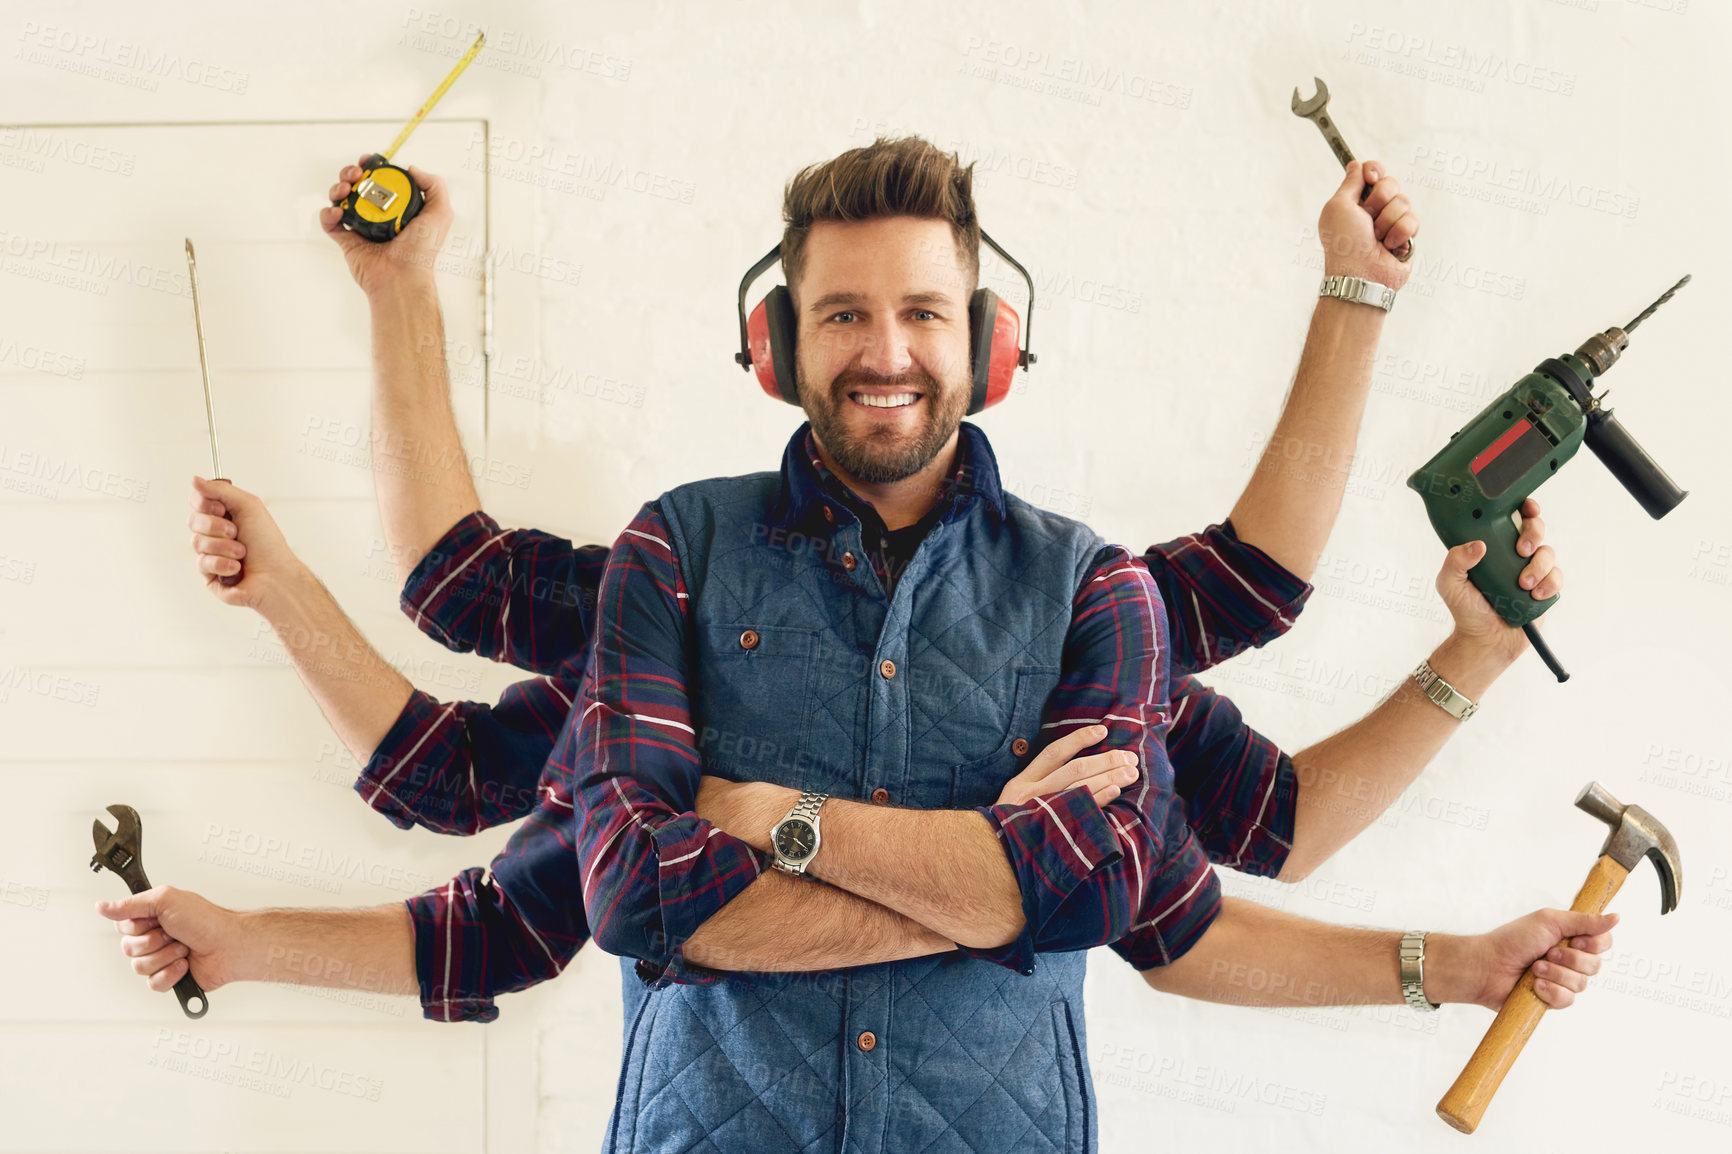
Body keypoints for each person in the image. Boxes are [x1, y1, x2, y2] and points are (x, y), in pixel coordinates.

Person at [100, 140, 1604, 1146]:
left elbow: (1206, 840)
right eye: (841, 316)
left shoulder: (1096, 596)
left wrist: (782, 829)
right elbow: (579, 875)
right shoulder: (672, 562)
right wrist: (1006, 875)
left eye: (925, 315)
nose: (886, 351)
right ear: (777, 343)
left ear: (989, 343)